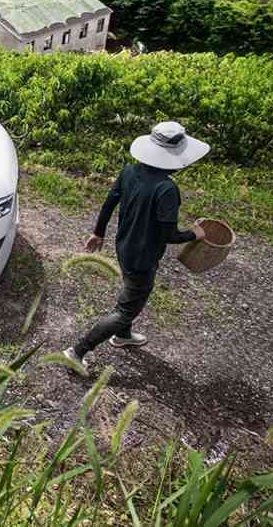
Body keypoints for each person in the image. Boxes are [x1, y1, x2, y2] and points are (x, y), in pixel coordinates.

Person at [63, 121, 210, 372]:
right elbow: (168, 235)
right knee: (125, 310)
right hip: (143, 257)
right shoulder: (166, 189)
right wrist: (194, 234)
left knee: (131, 295)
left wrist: (98, 232)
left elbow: (110, 202)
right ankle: (77, 351)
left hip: (125, 246)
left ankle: (123, 336)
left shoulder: (129, 171)